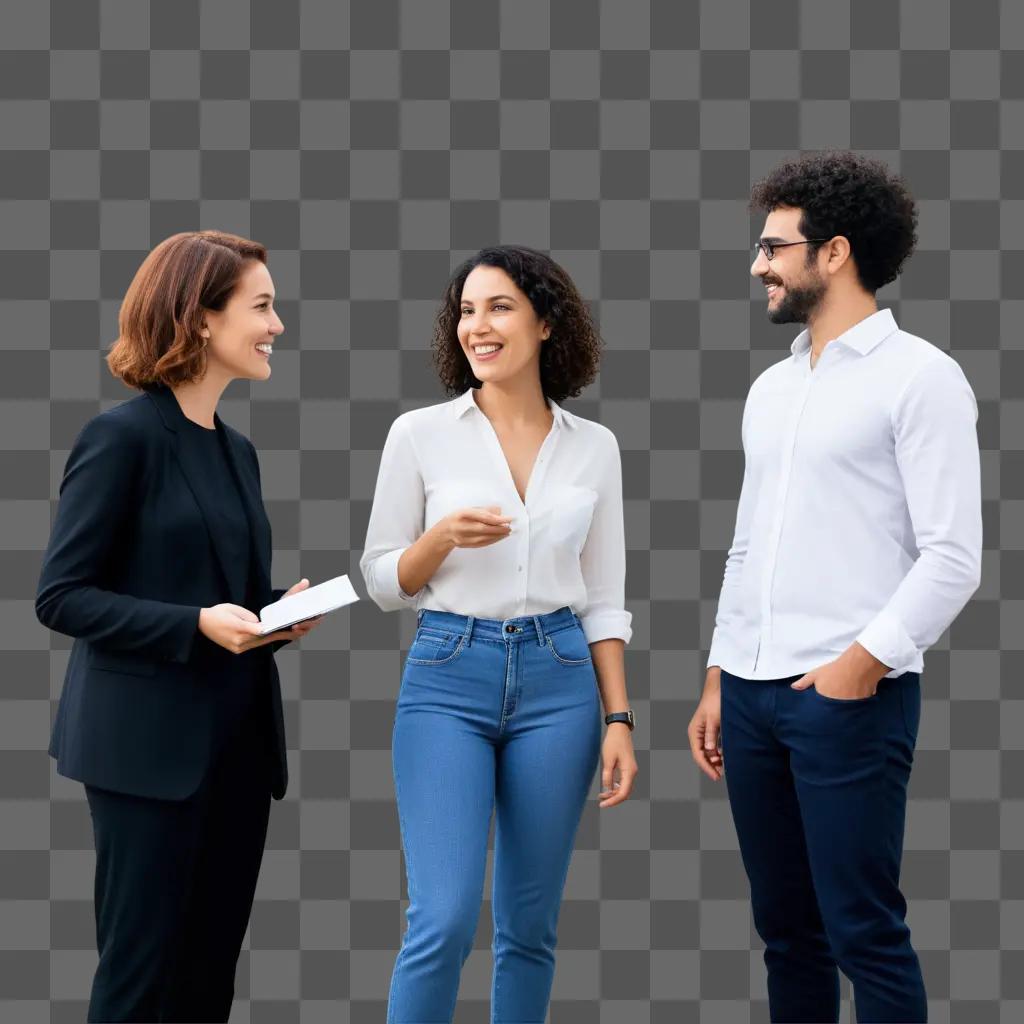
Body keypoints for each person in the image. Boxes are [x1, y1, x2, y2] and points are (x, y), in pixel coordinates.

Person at [688, 150, 982, 1023]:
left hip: (848, 697)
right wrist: (717, 672)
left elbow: (953, 555)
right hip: (747, 694)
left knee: (864, 931)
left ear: (836, 253)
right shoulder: (771, 390)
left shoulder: (921, 378)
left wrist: (863, 665)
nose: (758, 265)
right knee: (787, 934)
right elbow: (747, 545)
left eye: (775, 247)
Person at [35, 230, 324, 1023]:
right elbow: (61, 595)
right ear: (200, 318)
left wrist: (273, 613)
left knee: (206, 981)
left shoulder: (238, 451)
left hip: (236, 751)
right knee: (139, 979)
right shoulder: (120, 439)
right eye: (261, 306)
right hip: (145, 757)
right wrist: (195, 625)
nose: (277, 325)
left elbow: (208, 588)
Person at [360, 244, 638, 1023]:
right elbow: (383, 580)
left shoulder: (595, 448)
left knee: (529, 927)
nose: (476, 327)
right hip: (448, 671)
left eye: (499, 307)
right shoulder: (419, 434)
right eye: (466, 312)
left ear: (548, 323)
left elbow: (606, 599)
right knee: (441, 919)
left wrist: (619, 718)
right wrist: (440, 539)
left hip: (561, 680)